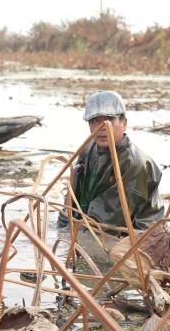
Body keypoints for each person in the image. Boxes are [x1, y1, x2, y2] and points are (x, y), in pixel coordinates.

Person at [60, 91, 163, 230]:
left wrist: (76, 225)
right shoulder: (88, 149)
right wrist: (66, 217)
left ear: (124, 123)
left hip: (136, 234)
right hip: (89, 222)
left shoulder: (134, 163)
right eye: (95, 121)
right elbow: (73, 199)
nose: (102, 128)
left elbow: (109, 220)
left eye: (109, 119)